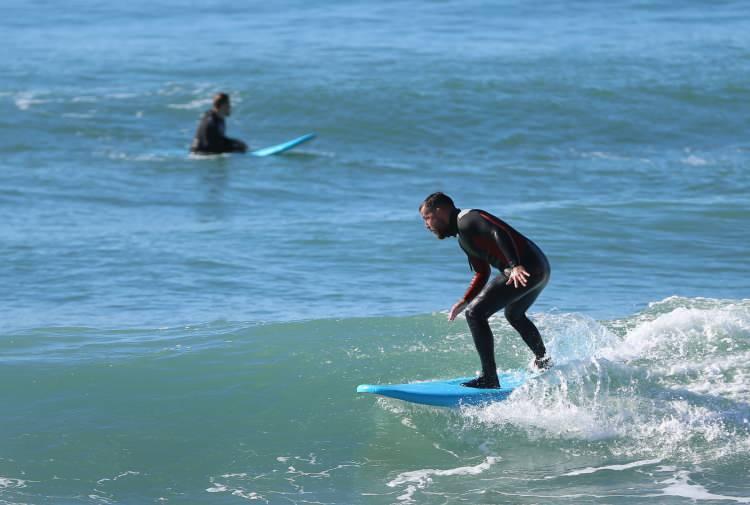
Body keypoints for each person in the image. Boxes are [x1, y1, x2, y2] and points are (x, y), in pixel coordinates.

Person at [419, 192, 552, 389]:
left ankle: (489, 378)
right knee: (514, 314)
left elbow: (498, 233)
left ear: (440, 211)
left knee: (475, 314)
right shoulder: (464, 236)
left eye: (427, 217)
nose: (426, 225)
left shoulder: (468, 220)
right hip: (539, 268)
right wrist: (464, 301)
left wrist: (514, 265)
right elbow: (482, 272)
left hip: (524, 269)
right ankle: (544, 360)